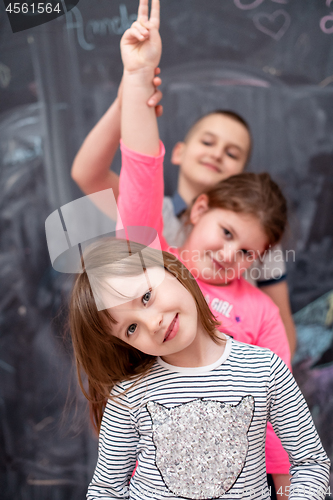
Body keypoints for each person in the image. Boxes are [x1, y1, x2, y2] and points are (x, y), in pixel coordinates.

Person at [117, 1, 297, 495]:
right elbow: (140, 172)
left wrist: (282, 476)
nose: (229, 254)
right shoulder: (155, 266)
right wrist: (137, 78)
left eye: (247, 252)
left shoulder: (260, 313)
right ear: (198, 212)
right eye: (225, 233)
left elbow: (280, 403)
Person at [70, 27, 297, 361]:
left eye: (232, 153)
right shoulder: (153, 228)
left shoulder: (263, 239)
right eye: (208, 142)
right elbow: (126, 177)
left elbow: (279, 337)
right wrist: (130, 99)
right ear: (178, 152)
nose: (218, 154)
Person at [69, 239, 330, 500]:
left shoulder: (264, 369)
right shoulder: (129, 396)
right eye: (131, 328)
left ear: (171, 269)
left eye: (146, 296)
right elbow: (106, 490)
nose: (153, 323)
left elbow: (311, 464)